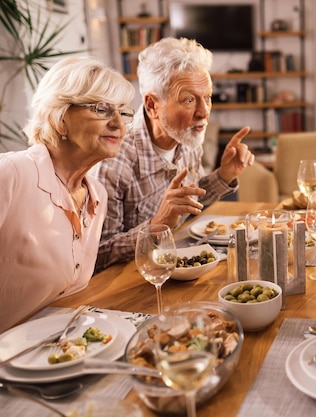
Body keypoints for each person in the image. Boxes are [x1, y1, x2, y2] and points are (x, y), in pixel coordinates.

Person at [94, 37, 254, 272]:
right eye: (189, 100)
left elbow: (189, 202)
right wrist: (157, 226)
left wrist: (224, 175)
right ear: (152, 105)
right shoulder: (113, 159)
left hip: (176, 263)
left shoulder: (187, 137)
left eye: (207, 97)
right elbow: (96, 255)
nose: (204, 112)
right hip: (132, 282)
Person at [0, 57, 135, 332]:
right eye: (102, 109)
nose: (119, 125)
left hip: (58, 348)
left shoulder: (96, 194)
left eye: (124, 113)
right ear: (59, 117)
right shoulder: (11, 174)